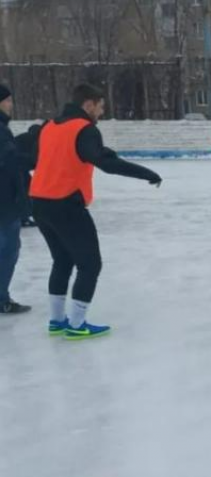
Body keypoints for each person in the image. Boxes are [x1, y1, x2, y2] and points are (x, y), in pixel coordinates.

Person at [30, 84, 162, 339]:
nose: (101, 112)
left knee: (62, 260)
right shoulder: (84, 128)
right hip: (65, 203)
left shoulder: (49, 127)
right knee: (90, 264)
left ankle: (57, 320)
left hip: (39, 202)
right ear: (88, 104)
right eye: (100, 106)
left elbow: (40, 157)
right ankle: (77, 325)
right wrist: (146, 173)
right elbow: (105, 163)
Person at [0, 85, 30, 315]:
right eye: (8, 100)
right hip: (4, 204)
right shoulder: (1, 131)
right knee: (8, 249)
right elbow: (12, 162)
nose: (11, 104)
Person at [14, 124, 42, 228]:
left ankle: (23, 216)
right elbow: (35, 158)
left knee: (24, 190)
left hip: (15, 167)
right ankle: (23, 218)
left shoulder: (23, 137)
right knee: (25, 191)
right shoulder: (37, 140)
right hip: (17, 167)